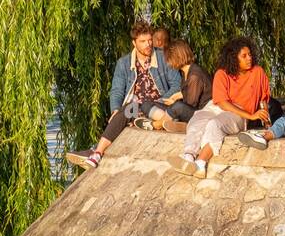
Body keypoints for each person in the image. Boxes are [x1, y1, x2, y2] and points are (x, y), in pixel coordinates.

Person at [66, 20, 183, 170]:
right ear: (134, 43)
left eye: (149, 40)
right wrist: (115, 109)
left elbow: (176, 84)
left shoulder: (163, 58)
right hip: (136, 109)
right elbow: (116, 90)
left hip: (159, 106)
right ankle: (96, 153)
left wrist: (160, 100)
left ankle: (95, 152)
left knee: (128, 109)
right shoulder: (124, 63)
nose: (148, 44)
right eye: (143, 41)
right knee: (124, 111)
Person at [168, 37, 269, 180]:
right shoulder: (221, 74)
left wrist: (262, 119)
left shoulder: (258, 72)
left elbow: (263, 98)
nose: (249, 59)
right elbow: (222, 102)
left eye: (250, 54)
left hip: (240, 113)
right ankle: (188, 156)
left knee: (215, 124)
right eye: (244, 56)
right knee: (197, 120)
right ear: (233, 58)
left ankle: (200, 163)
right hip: (216, 106)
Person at [149, 38, 213, 130]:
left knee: (177, 106)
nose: (168, 63)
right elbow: (189, 93)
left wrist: (174, 103)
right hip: (186, 110)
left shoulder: (195, 75)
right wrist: (179, 95)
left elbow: (190, 104)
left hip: (199, 113)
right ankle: (171, 121)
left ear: (177, 57)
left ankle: (157, 125)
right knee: (149, 104)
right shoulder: (184, 72)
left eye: (169, 59)